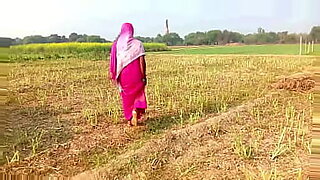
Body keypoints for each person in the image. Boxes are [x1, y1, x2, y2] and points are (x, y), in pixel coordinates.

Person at [109, 23, 147, 126]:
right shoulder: (138, 44)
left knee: (126, 96)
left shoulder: (116, 45)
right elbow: (142, 61)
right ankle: (135, 110)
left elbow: (113, 62)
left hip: (123, 75)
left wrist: (112, 73)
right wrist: (143, 76)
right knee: (138, 93)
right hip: (136, 74)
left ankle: (129, 118)